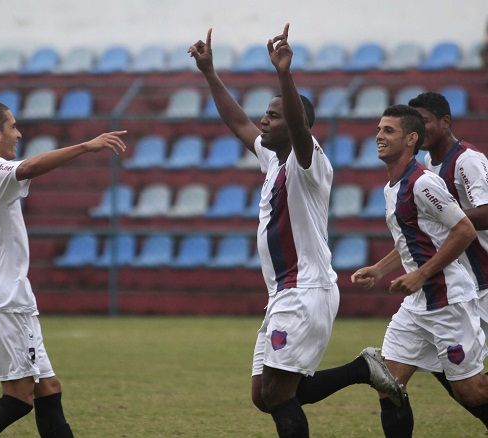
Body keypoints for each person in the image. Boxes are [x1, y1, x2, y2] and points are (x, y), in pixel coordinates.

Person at [189, 24, 401, 437]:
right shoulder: (273, 159)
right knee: (262, 394)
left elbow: (300, 130)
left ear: (295, 122)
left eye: (273, 115)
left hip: (306, 291)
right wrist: (209, 73)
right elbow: (237, 123)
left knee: (278, 393)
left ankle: (364, 368)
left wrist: (284, 74)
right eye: (265, 115)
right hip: (283, 292)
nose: (263, 122)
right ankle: (362, 368)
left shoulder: (310, 164)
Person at [0, 101, 127, 437]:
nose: (18, 133)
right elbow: (28, 168)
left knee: (48, 389)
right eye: (13, 126)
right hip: (3, 298)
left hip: (3, 295)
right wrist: (87, 145)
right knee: (18, 398)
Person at [351, 104, 488, 437]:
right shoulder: (405, 178)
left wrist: (423, 271)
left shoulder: (440, 173)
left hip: (458, 291)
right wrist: (382, 268)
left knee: (469, 389)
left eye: (389, 131)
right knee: (390, 382)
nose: (379, 136)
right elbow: (416, 236)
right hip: (431, 296)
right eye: (379, 129)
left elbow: (469, 224)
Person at [408, 91, 488, 428]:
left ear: (445, 122)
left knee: (463, 375)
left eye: (424, 121)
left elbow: (485, 210)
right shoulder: (427, 166)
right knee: (450, 368)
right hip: (465, 283)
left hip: (484, 279)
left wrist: (445, 218)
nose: (420, 129)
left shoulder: (467, 160)